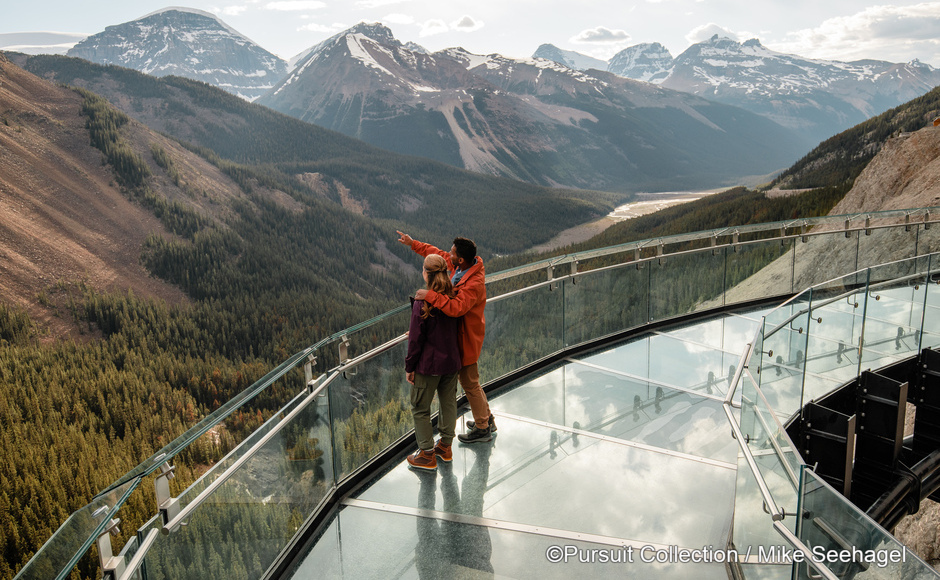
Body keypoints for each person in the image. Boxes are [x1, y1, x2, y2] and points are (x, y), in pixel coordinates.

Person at [397, 230, 495, 443]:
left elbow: (458, 308)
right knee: (472, 382)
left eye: (451, 253)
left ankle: (483, 428)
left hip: (466, 339)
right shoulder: (461, 267)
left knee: (470, 383)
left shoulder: (474, 283)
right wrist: (413, 243)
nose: (447, 255)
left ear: (460, 259)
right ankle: (487, 419)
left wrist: (429, 296)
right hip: (458, 336)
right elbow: (436, 252)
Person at [405, 254, 462, 470]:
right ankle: (445, 448)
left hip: (428, 366)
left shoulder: (422, 302)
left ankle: (426, 455)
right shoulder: (454, 298)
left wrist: (410, 367)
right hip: (451, 362)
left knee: (420, 408)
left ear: (426, 273)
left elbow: (416, 340)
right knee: (448, 403)